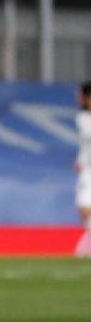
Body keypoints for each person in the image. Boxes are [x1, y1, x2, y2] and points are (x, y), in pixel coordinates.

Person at [75, 81, 91, 228]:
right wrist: (81, 160)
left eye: (80, 94)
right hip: (88, 168)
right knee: (84, 208)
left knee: (85, 207)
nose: (78, 97)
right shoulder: (83, 118)